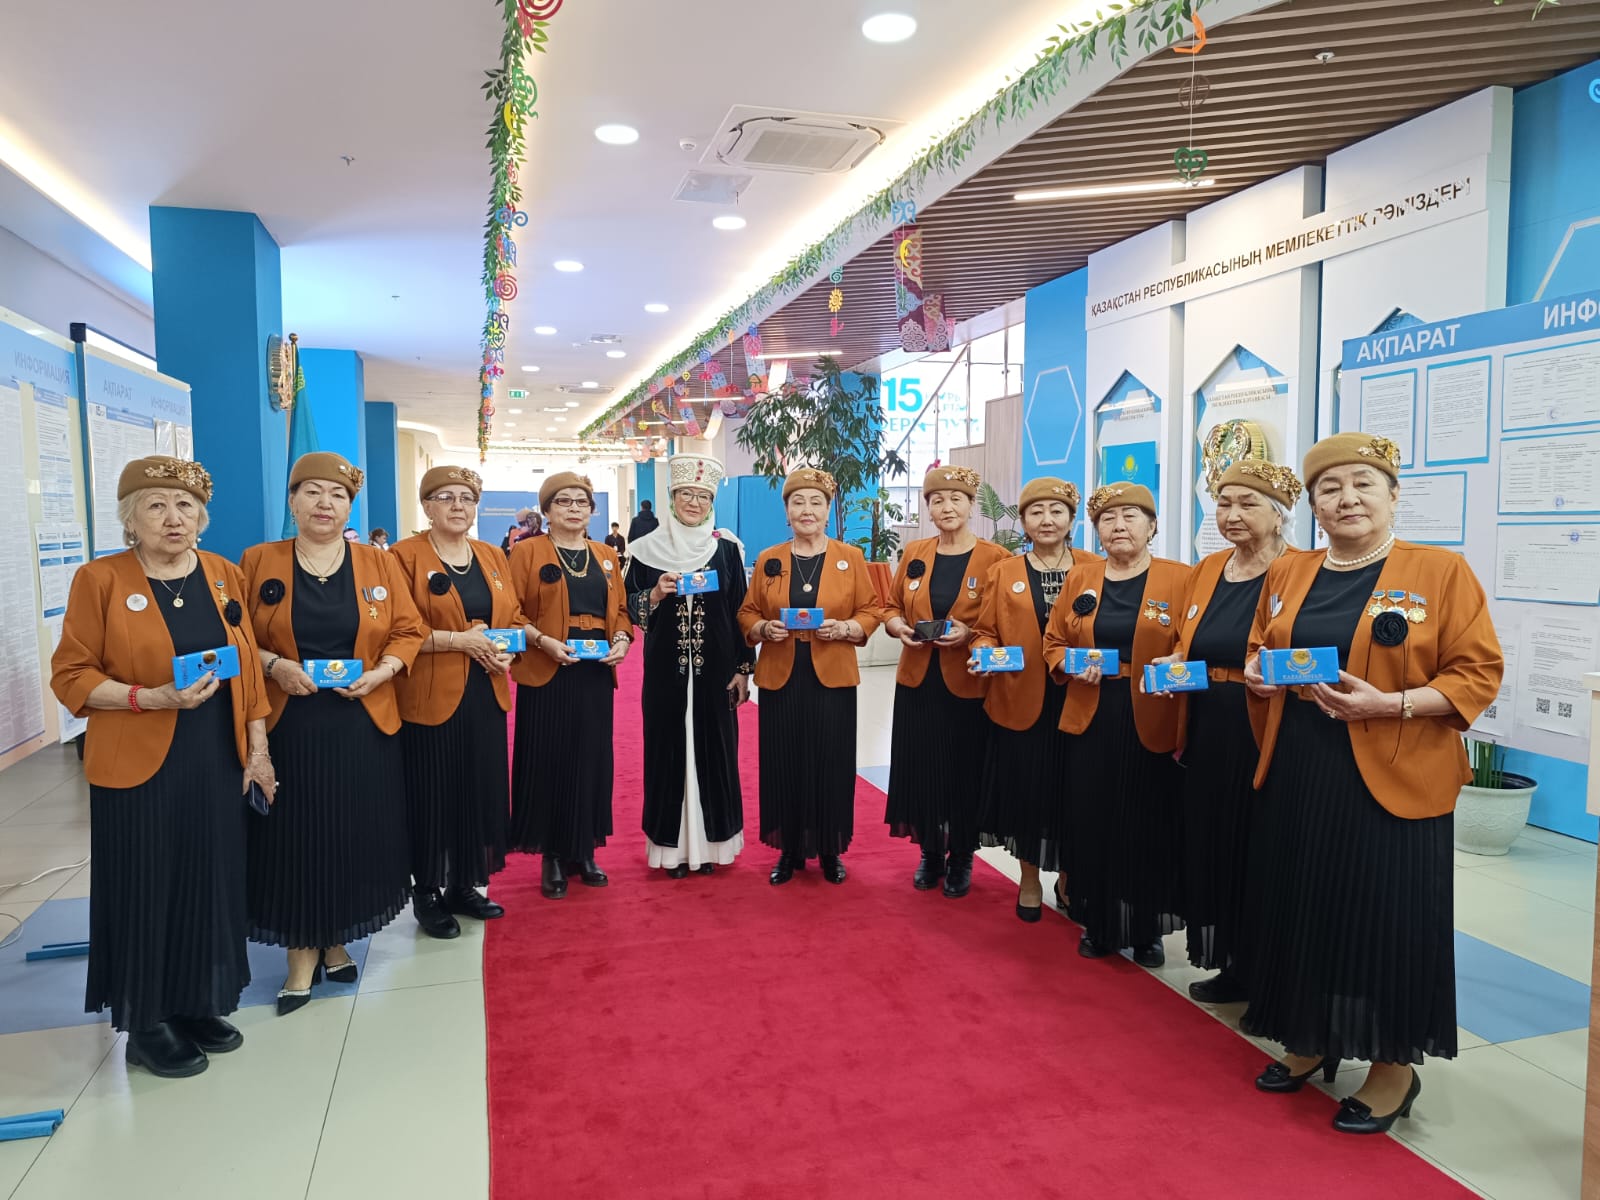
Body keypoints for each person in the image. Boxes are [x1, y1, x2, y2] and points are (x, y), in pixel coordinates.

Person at [1242, 432, 1501, 1134]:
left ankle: (1393, 1067)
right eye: (1330, 488)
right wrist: (1259, 673)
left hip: (1395, 770)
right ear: (1313, 505)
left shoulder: (1439, 571)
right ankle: (1309, 1035)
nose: (1347, 498)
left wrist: (1391, 704)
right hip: (1302, 766)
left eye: (1363, 484)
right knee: (1305, 902)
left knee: (1387, 916)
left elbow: (1477, 672)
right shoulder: (1290, 571)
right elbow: (1263, 646)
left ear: (1392, 495)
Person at [50, 456, 273, 1077]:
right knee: (146, 884)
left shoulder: (223, 575)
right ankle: (147, 1020)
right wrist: (147, 698)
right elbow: (71, 675)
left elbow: (247, 669)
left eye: (185, 507)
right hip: (137, 759)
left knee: (209, 879)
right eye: (156, 506)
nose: (174, 519)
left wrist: (258, 750)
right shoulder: (100, 579)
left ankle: (198, 1000)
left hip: (215, 756)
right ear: (131, 519)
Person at [242, 451, 426, 1015]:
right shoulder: (258, 561)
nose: (325, 503)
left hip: (362, 721)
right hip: (291, 722)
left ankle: (338, 938)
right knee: (296, 837)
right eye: (313, 492)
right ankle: (301, 953)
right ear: (292, 500)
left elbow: (408, 629)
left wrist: (383, 672)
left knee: (351, 831)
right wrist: (276, 666)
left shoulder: (377, 562)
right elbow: (239, 639)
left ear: (350, 507)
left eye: (338, 495)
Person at [1151, 460, 1301, 1003]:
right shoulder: (1209, 569)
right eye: (1223, 503)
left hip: (1266, 726)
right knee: (1215, 842)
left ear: (1279, 516)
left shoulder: (1298, 571)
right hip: (1207, 725)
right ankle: (1234, 962)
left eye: (1247, 504)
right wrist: (1174, 663)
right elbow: (1186, 639)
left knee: (1261, 848)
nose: (1232, 515)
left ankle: (1270, 969)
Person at [1042, 482, 1190, 965]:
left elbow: (1192, 641)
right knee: (1092, 818)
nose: (1119, 526)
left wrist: (1177, 659)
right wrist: (1069, 664)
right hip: (1091, 711)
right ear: (1097, 530)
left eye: (1130, 516)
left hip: (1151, 709)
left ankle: (1146, 928)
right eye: (1108, 519)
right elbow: (1052, 642)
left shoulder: (1180, 578)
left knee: (1149, 820)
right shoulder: (1081, 578)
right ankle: (1098, 921)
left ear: (1152, 526)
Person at [390, 466, 523, 937]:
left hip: (485, 691)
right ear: (427, 505)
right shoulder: (404, 556)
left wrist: (507, 649)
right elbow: (396, 629)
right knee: (432, 794)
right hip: (430, 695)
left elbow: (513, 617)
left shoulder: (491, 555)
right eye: (445, 497)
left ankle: (464, 883)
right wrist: (458, 640)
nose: (458, 506)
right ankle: (427, 890)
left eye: (467, 498)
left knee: (477, 789)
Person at [737, 467, 884, 885]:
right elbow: (747, 611)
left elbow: (870, 610)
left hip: (832, 674)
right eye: (798, 502)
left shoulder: (849, 558)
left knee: (831, 761)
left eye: (816, 502)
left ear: (828, 509)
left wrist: (848, 628)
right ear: (786, 511)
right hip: (782, 674)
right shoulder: (770, 559)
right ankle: (789, 849)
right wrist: (762, 628)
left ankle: (830, 849)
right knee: (783, 761)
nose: (807, 510)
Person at [970, 478, 1098, 921]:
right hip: (1021, 698)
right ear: (1023, 520)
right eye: (1036, 512)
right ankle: (1028, 879)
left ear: (1072, 519)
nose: (1047, 520)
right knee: (1028, 792)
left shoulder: (1095, 566)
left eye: (1057, 511)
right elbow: (984, 630)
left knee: (1074, 793)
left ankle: (1068, 876)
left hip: (1080, 696)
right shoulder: (1004, 571)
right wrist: (983, 652)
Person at [882, 465, 1010, 897]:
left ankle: (962, 856)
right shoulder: (916, 552)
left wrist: (970, 634)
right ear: (929, 509)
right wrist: (897, 626)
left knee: (963, 769)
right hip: (918, 680)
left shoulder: (995, 558)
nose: (947, 507)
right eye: (937, 500)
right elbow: (891, 606)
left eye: (956, 499)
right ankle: (931, 852)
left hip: (967, 682)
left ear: (972, 506)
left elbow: (1002, 622)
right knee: (922, 767)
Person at [624, 455, 753, 877]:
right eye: (686, 494)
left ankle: (714, 846)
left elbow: (740, 611)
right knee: (667, 752)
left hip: (716, 672)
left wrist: (742, 668)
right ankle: (671, 850)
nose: (694, 503)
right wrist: (655, 595)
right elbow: (628, 610)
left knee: (716, 752)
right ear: (672, 498)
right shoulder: (646, 550)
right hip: (666, 673)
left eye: (702, 496)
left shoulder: (727, 549)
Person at [508, 471, 632, 898]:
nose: (574, 509)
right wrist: (542, 641)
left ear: (592, 511)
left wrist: (621, 639)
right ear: (546, 510)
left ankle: (584, 849)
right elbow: (510, 612)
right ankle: (553, 854)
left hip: (595, 670)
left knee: (590, 759)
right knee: (549, 759)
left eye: (582, 502)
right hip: (548, 667)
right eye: (563, 501)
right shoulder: (527, 552)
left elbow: (619, 609)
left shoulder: (605, 555)